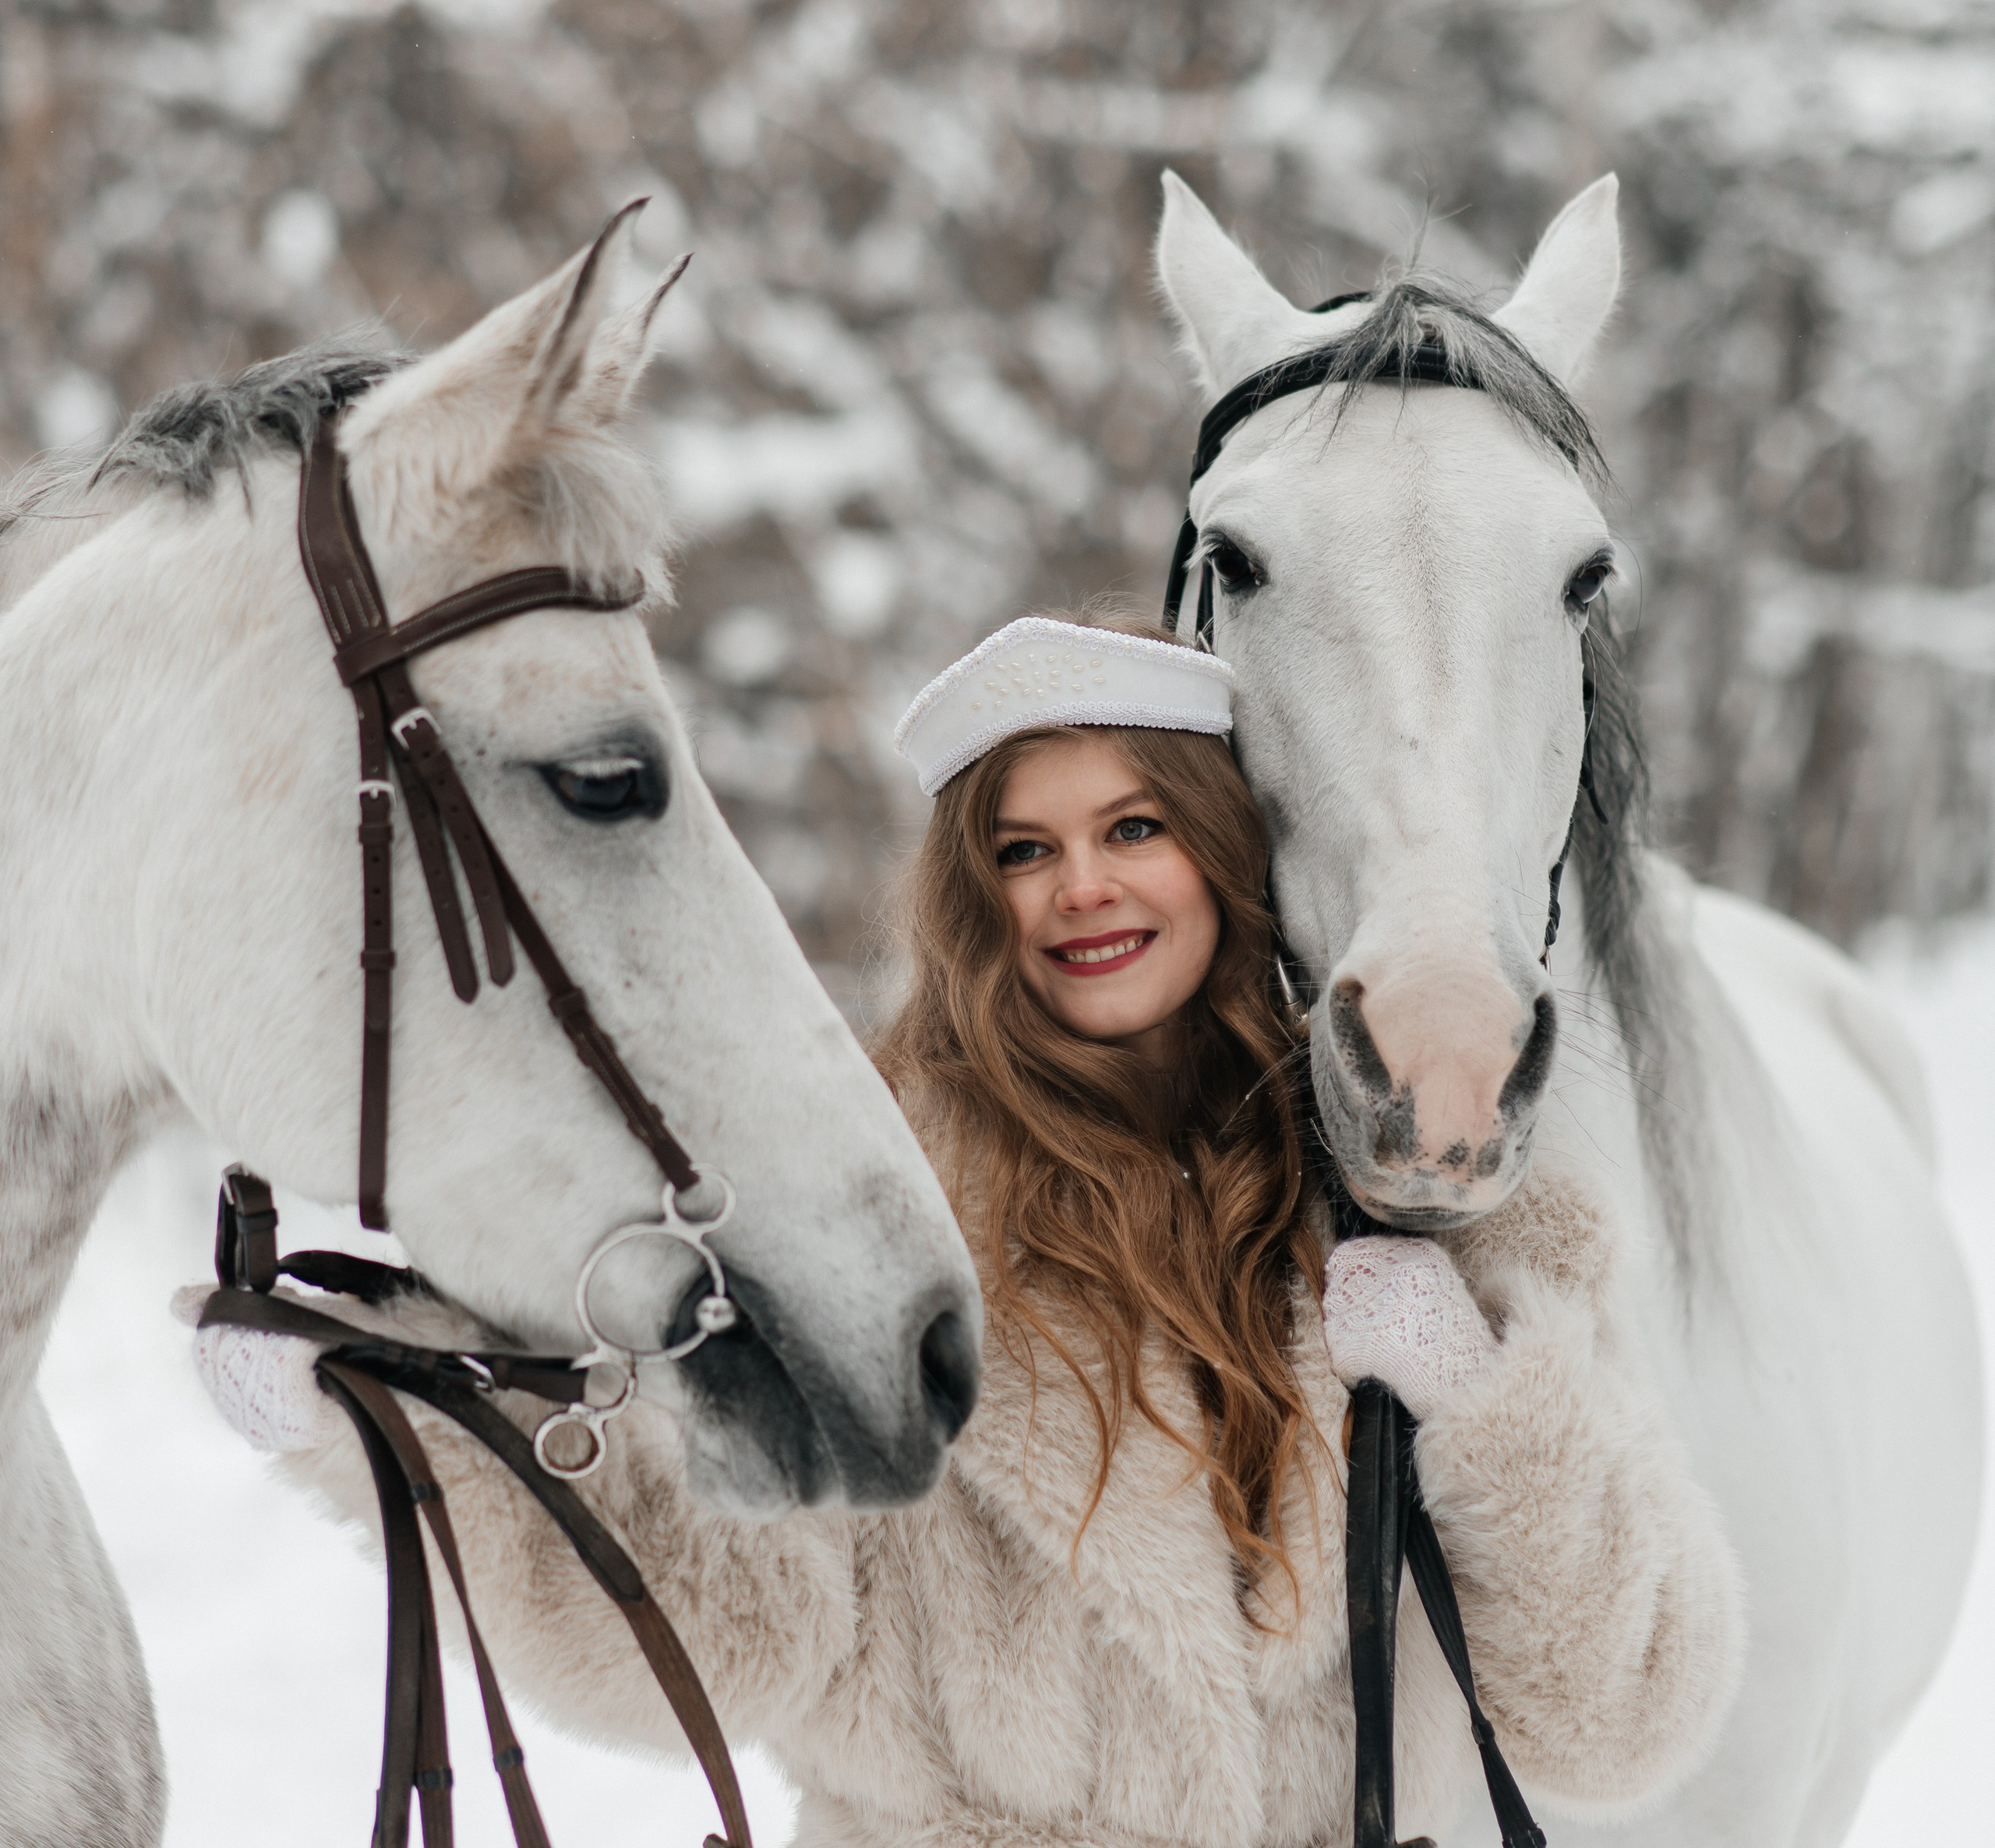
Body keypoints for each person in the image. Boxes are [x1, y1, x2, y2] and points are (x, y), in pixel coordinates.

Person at [186, 612, 1743, 1845]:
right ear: (973, 889)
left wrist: (1480, 1399)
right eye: (1023, 844)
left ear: (1220, 844)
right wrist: (415, 1438)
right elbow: (739, 1628)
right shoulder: (863, 1214)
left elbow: (1617, 1717)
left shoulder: (1414, 1198)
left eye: (1132, 824)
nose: (1081, 884)